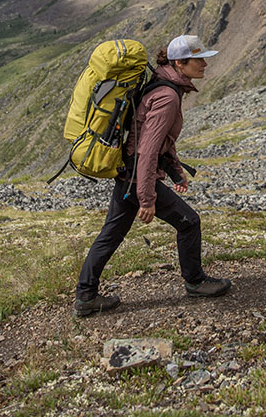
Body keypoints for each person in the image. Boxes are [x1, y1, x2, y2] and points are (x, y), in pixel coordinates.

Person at [74, 34, 232, 316]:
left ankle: (86, 296)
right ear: (180, 63)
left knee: (111, 233)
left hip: (129, 173)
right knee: (189, 223)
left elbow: (158, 142)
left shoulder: (164, 86)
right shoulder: (167, 96)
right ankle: (195, 282)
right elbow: (147, 150)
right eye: (200, 60)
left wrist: (174, 171)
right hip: (137, 175)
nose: (205, 65)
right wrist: (146, 198)